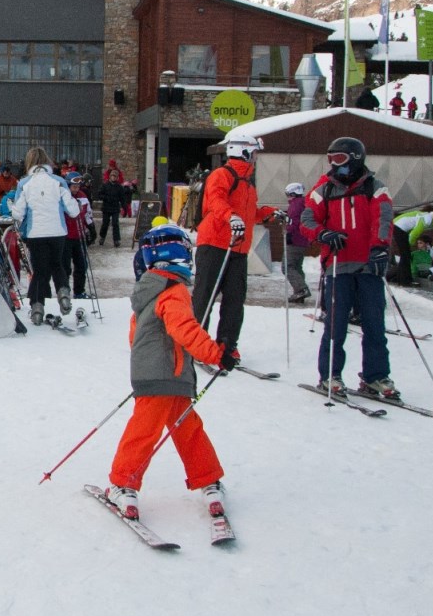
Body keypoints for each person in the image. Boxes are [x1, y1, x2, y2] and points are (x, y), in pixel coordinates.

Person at [102, 228, 237, 523]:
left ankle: (206, 479)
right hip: (168, 377)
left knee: (172, 431)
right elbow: (184, 330)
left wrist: (147, 369)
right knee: (164, 432)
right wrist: (216, 354)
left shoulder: (149, 292)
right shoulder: (173, 292)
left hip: (163, 376)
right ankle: (126, 484)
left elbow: (135, 336)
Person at [299, 136, 397, 401]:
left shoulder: (374, 188)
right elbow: (306, 220)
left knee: (374, 323)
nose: (334, 165)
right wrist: (323, 234)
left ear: (355, 159)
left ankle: (375, 376)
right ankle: (330, 374)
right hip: (337, 266)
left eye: (339, 159)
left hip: (367, 266)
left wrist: (379, 247)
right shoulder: (325, 189)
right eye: (330, 159)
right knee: (336, 324)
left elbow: (384, 217)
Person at [191, 132, 277, 358]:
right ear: (244, 151)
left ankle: (227, 344)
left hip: (238, 247)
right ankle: (197, 342)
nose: (256, 157)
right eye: (254, 152)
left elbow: (249, 214)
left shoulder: (248, 184)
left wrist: (269, 214)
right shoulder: (222, 174)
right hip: (215, 243)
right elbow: (216, 201)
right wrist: (231, 217)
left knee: (235, 299)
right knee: (205, 296)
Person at [14, 147, 78, 324]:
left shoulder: (24, 184)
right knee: (57, 265)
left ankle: (37, 307)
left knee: (40, 270)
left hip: (36, 232)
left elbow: (18, 213)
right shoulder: (58, 181)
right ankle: (63, 292)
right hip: (57, 231)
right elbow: (72, 211)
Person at [282, 182, 312, 304]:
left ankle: (301, 289)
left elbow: (293, 222)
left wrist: (288, 233)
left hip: (294, 239)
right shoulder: (304, 203)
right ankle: (299, 292)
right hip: (303, 240)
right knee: (297, 266)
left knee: (287, 266)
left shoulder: (296, 205)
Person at [96, 168, 127, 247]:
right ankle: (102, 237)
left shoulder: (119, 187)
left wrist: (125, 208)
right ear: (110, 177)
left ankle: (116, 239)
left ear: (117, 178)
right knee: (105, 223)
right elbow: (99, 195)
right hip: (106, 207)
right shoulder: (105, 185)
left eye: (115, 176)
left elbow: (122, 198)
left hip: (115, 208)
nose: (113, 177)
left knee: (115, 223)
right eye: (112, 176)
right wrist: (105, 197)